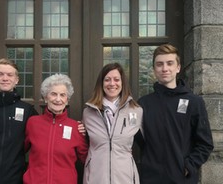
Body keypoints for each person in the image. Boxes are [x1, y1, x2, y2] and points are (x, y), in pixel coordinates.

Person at [138, 44, 214, 184]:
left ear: (178, 67)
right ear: (154, 69)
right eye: (159, 64)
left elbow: (205, 144)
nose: (165, 68)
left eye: (170, 63)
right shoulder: (143, 104)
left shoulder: (194, 102)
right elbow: (135, 139)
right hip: (150, 179)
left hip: (182, 179)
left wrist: (188, 166)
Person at [82, 63, 143, 184]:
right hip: (96, 177)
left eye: (116, 79)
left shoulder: (136, 111)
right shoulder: (88, 112)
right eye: (107, 80)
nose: (112, 84)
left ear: (122, 83)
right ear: (101, 83)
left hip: (125, 177)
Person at [23, 74, 88, 184]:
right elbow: (17, 151)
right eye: (53, 94)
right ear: (45, 97)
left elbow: (87, 159)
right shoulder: (33, 123)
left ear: (67, 100)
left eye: (62, 95)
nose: (58, 99)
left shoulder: (76, 127)